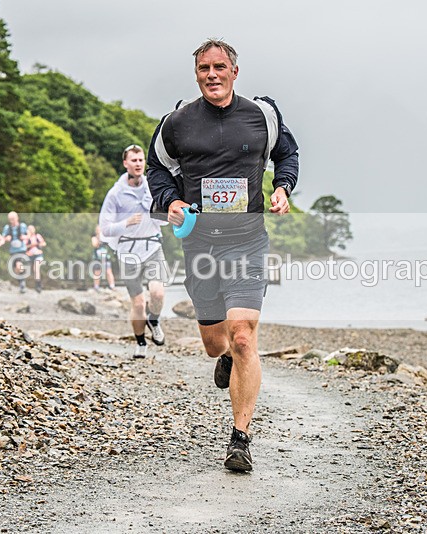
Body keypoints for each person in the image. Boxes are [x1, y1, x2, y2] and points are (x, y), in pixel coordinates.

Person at [147, 39, 299, 472]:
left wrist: (283, 187)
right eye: (203, 68)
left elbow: (286, 154)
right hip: (200, 245)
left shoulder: (262, 116)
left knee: (245, 335)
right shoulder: (176, 123)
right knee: (216, 345)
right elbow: (158, 171)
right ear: (196, 74)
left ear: (234, 71)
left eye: (219, 67)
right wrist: (171, 202)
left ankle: (240, 439)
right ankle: (227, 355)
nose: (211, 75)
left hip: (247, 239)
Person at [99, 145, 168, 359]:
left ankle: (154, 320)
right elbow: (105, 228)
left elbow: (165, 219)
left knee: (157, 292)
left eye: (141, 160)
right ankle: (140, 343)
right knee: (137, 303)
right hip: (127, 251)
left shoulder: (153, 186)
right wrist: (125, 223)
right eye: (134, 160)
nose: (138, 164)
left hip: (152, 246)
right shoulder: (116, 194)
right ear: (125, 163)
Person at [2, 211, 29, 293]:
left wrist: (25, 237)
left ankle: (23, 283)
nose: (12, 221)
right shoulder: (7, 228)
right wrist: (7, 238)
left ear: (17, 218)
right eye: (10, 219)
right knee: (16, 269)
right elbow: (3, 237)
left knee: (18, 265)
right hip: (13, 250)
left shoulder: (22, 226)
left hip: (22, 249)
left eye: (13, 219)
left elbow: (29, 235)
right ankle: (21, 282)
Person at [91, 225, 116, 291]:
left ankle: (112, 286)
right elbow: (95, 245)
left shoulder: (105, 238)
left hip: (106, 258)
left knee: (108, 272)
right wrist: (99, 238)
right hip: (97, 259)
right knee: (97, 273)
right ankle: (96, 287)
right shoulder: (94, 238)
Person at [23, 225, 46, 293]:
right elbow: (24, 247)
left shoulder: (37, 236)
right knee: (28, 269)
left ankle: (38, 285)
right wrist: (32, 245)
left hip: (38, 254)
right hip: (29, 255)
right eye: (29, 229)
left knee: (36, 268)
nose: (31, 230)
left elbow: (43, 243)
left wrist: (39, 244)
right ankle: (25, 283)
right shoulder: (26, 238)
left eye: (32, 229)